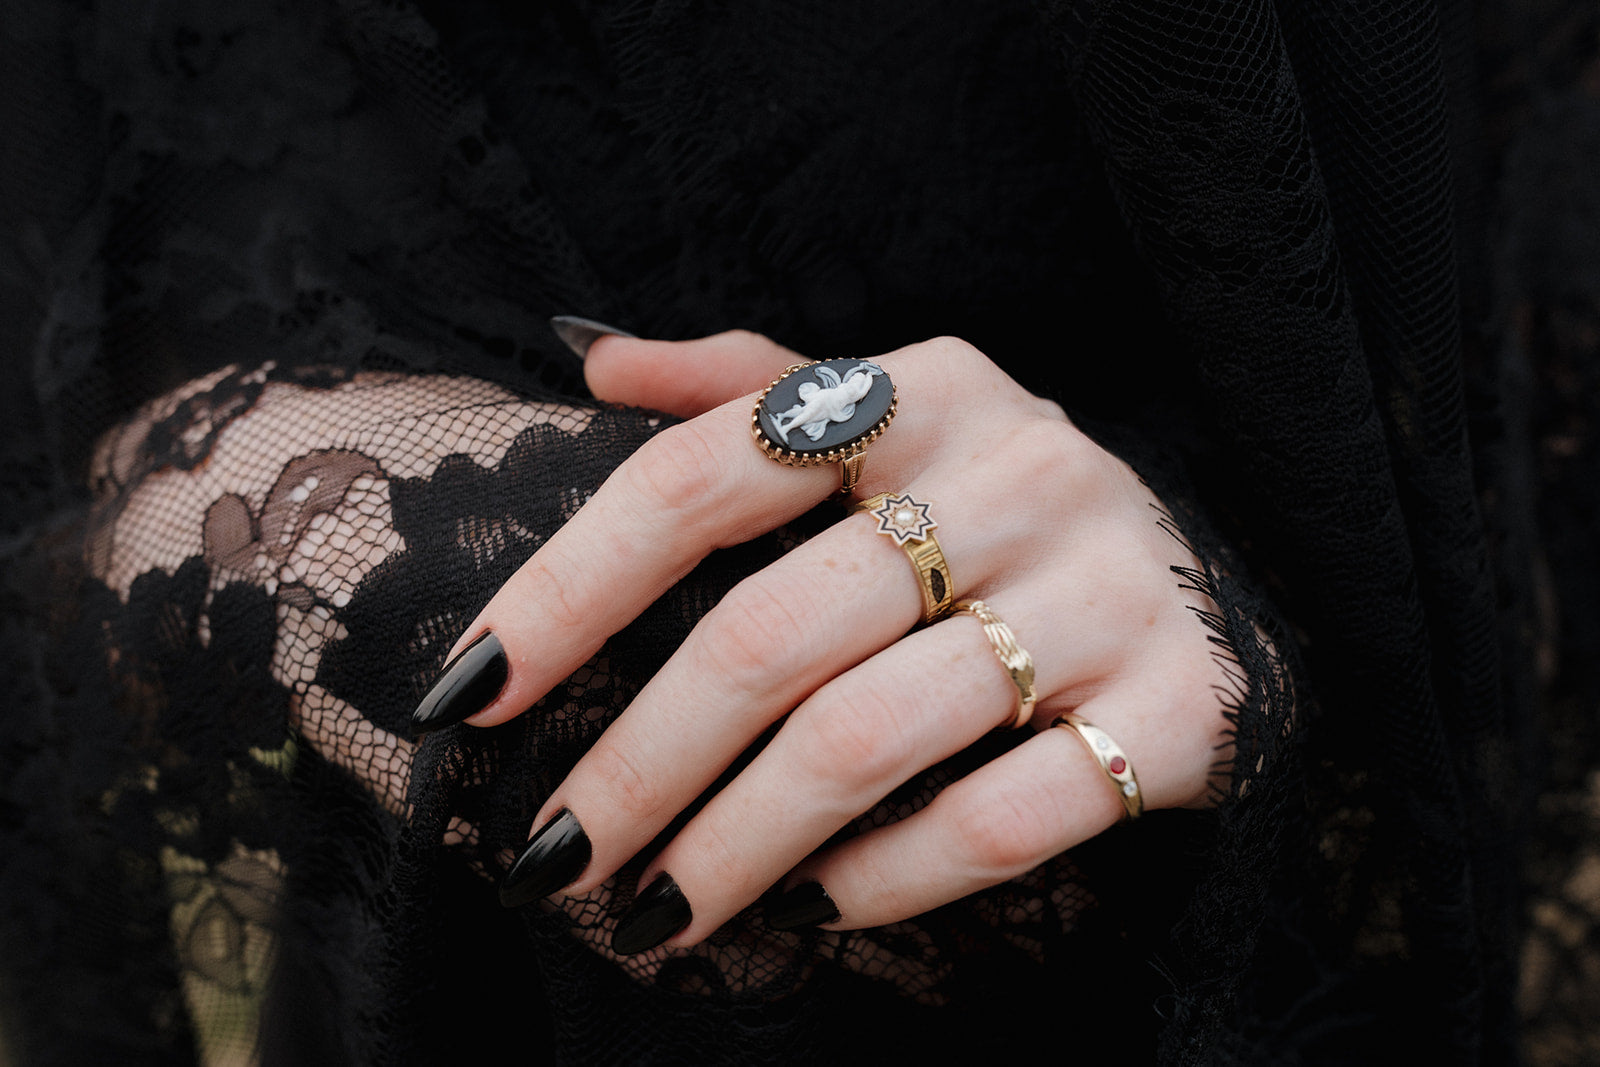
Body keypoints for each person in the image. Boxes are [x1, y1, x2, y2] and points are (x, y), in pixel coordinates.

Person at [0, 0, 1527, 1063]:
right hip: (446, 999)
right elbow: (105, 276)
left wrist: (1196, 616)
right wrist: (214, 464)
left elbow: (1468, 378)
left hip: (1216, 939)